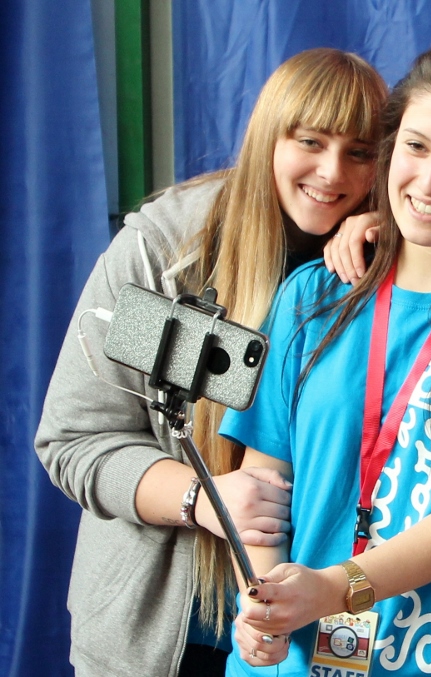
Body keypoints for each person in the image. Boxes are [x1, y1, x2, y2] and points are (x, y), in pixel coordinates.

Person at [34, 48, 387, 677]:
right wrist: (201, 498)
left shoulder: (389, 265)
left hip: (313, 632)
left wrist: (394, 242)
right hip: (162, 636)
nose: (332, 172)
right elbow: (76, 439)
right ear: (268, 136)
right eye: (310, 141)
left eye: (359, 153)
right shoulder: (172, 252)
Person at [218, 43, 431, 676]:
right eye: (416, 147)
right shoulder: (311, 295)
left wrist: (334, 588)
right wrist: (261, 603)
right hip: (291, 657)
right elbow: (263, 487)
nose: (430, 181)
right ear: (392, 150)